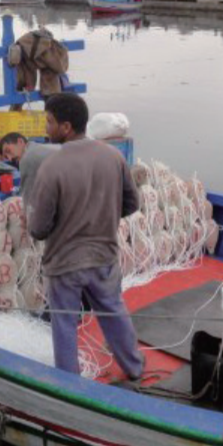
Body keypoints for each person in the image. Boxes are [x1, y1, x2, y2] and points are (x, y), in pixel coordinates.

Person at [27, 94, 143, 384]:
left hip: (65, 263)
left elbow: (39, 228)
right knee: (113, 311)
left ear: (65, 127)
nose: (46, 127)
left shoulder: (51, 167)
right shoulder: (113, 156)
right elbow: (132, 204)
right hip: (104, 256)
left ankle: (70, 385)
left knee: (64, 322)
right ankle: (135, 368)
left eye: (50, 121)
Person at [0, 132, 59, 206]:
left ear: (20, 141)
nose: (10, 159)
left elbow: (27, 200)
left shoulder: (27, 158)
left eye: (8, 151)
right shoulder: (39, 148)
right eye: (6, 157)